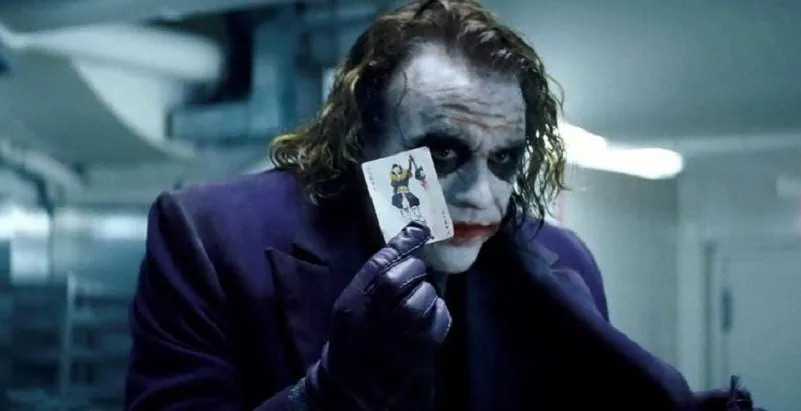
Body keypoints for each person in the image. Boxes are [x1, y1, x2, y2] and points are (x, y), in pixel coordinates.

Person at [125, 1, 762, 410]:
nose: (481, 196)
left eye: (504, 159)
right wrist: (333, 388)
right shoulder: (212, 235)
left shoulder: (559, 262)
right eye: (443, 153)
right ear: (363, 138)